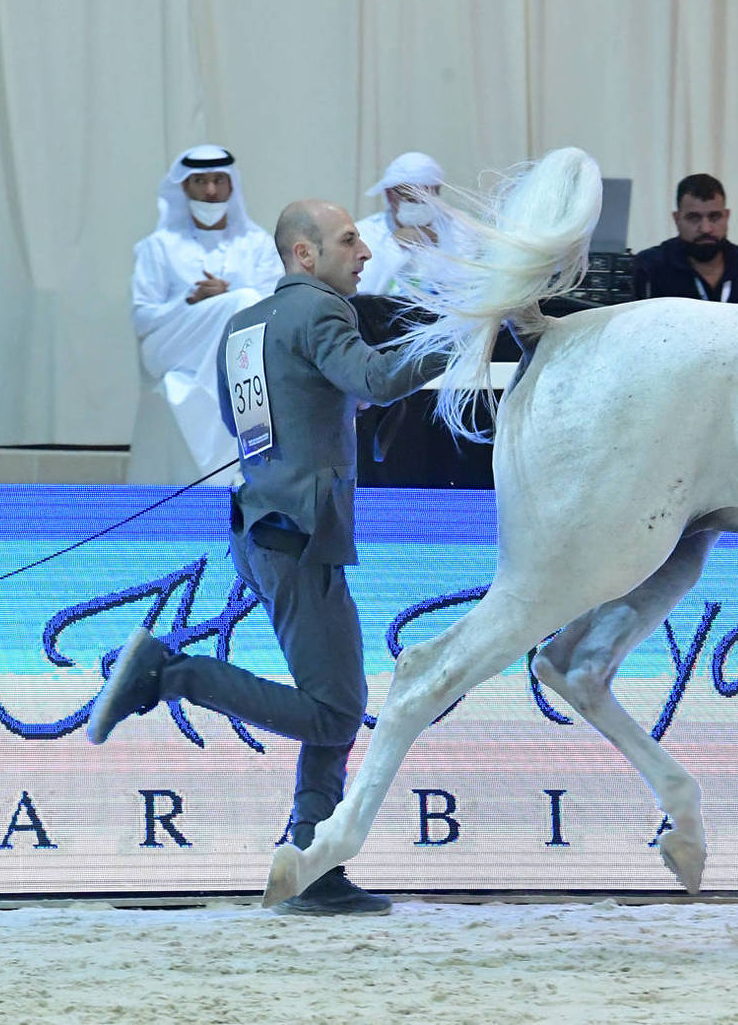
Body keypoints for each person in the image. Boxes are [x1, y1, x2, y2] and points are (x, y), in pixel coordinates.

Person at [89, 198, 446, 916]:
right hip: (301, 532)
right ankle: (173, 673)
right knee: (336, 713)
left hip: (260, 525)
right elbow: (377, 380)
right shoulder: (322, 310)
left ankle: (312, 858)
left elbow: (242, 419)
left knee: (337, 698)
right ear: (305, 254)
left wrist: (323, 409)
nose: (365, 253)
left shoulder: (244, 323)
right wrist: (459, 339)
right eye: (349, 241)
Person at [129, 146, 283, 485]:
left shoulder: (257, 244)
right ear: (184, 186)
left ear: (232, 185)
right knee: (241, 302)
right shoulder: (160, 245)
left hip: (236, 351)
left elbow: (274, 307)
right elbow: (143, 318)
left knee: (243, 303)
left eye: (218, 180)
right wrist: (192, 301)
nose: (211, 191)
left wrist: (228, 298)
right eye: (200, 181)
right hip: (171, 346)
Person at [632, 174, 738, 306]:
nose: (706, 229)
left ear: (726, 216)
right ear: (677, 219)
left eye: (714, 217)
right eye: (694, 218)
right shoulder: (647, 269)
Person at [354, 151, 454, 297]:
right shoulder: (364, 234)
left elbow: (468, 292)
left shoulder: (457, 232)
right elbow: (361, 294)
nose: (420, 205)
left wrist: (438, 245)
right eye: (411, 199)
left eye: (428, 200)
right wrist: (393, 247)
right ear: (390, 195)